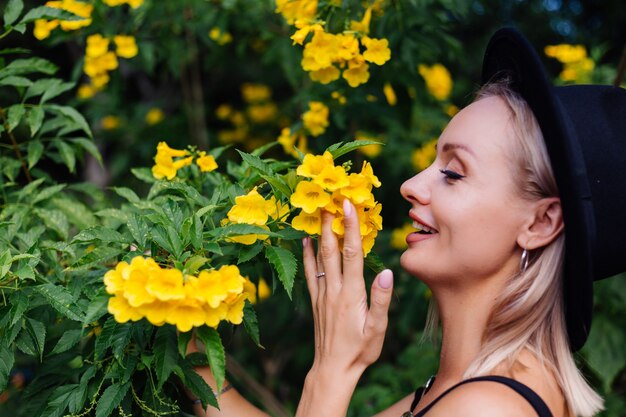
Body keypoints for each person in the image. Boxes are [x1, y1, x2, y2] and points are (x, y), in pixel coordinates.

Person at [187, 28, 626, 417]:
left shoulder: (488, 408)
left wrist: (334, 369)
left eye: (454, 173)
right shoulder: (457, 389)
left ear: (542, 222)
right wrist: (190, 346)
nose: (411, 185)